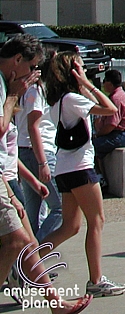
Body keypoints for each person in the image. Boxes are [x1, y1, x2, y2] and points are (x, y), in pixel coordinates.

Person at [0, 37, 90, 313]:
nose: (33, 74)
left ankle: (56, 304)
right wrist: (14, 95)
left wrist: (28, 180)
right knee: (18, 241)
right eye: (32, 66)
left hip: (6, 177)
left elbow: (7, 148)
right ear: (17, 60)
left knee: (27, 244)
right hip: (3, 177)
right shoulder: (6, 86)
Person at [39, 48, 125, 297]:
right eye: (80, 67)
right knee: (96, 221)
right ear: (73, 73)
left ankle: (26, 263)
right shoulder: (72, 99)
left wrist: (83, 85)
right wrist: (87, 83)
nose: (84, 69)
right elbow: (111, 110)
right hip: (80, 168)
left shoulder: (59, 100)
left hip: (65, 170)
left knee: (70, 226)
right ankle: (96, 280)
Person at [17, 70, 62, 240]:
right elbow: (33, 126)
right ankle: (36, 252)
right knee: (60, 208)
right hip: (38, 151)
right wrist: (43, 163)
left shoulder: (30, 90)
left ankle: (28, 257)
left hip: (27, 150)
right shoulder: (37, 90)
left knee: (33, 211)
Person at [92, 71, 125, 189]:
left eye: (105, 81)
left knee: (90, 147)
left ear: (110, 83)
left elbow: (111, 125)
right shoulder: (120, 95)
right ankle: (100, 177)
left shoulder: (116, 98)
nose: (103, 83)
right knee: (97, 150)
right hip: (122, 133)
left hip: (121, 135)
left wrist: (98, 135)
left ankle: (100, 180)